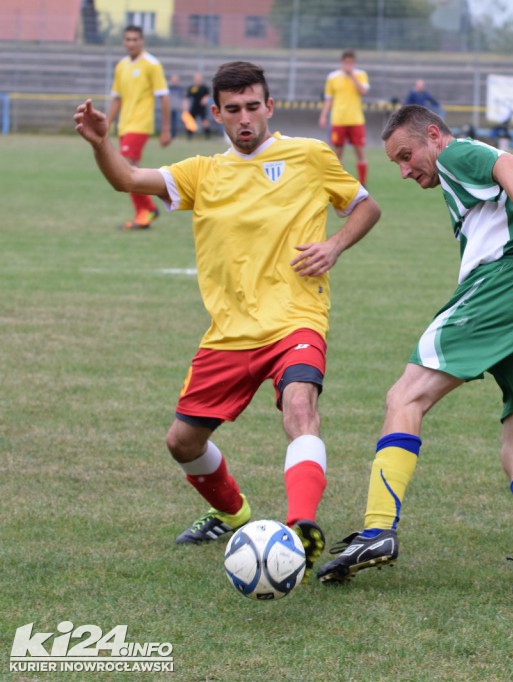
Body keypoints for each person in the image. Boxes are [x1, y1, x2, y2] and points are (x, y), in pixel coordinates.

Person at [73, 61, 382, 576]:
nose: (245, 118)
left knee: (301, 408)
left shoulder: (309, 155)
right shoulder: (201, 172)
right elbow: (125, 177)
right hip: (230, 333)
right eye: (233, 109)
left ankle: (301, 526)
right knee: (182, 442)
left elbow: (365, 207)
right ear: (216, 113)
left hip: (296, 318)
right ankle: (231, 513)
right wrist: (100, 142)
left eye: (253, 107)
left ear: (269, 107)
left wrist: (334, 244)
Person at [316, 104, 513, 594]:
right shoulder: (470, 183)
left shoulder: (456, 154)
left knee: (405, 398)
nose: (403, 169)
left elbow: (511, 165)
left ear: (434, 136)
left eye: (407, 154)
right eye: (395, 161)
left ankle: (377, 530)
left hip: (509, 282)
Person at [107, 25, 171, 230]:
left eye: (135, 39)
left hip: (141, 125)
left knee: (126, 168)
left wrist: (166, 129)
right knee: (129, 168)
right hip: (124, 126)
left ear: (142, 41)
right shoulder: (121, 66)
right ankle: (145, 210)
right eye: (128, 39)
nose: (131, 43)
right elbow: (117, 98)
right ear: (123, 42)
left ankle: (146, 210)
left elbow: (164, 96)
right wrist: (106, 123)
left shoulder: (152, 64)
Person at [319, 49, 370, 185]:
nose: (348, 64)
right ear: (342, 62)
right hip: (338, 119)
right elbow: (328, 99)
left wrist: (352, 76)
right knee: (338, 152)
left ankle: (363, 182)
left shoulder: (360, 75)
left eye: (351, 62)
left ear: (354, 63)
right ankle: (338, 181)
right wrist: (324, 116)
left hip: (356, 119)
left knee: (359, 151)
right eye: (346, 62)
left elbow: (363, 91)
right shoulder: (332, 77)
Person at [186, 72, 212, 140]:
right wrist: (185, 106)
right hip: (194, 106)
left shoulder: (204, 87)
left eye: (199, 77)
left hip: (202, 107)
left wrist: (205, 99)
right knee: (191, 121)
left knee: (204, 121)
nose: (197, 79)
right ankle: (189, 136)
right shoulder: (192, 87)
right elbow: (187, 97)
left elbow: (208, 95)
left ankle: (207, 136)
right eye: (196, 78)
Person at [168, 74, 185, 139]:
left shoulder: (179, 88)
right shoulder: (169, 88)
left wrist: (182, 106)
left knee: (175, 123)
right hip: (169, 108)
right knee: (169, 123)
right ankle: (169, 135)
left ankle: (174, 135)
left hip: (177, 108)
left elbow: (182, 98)